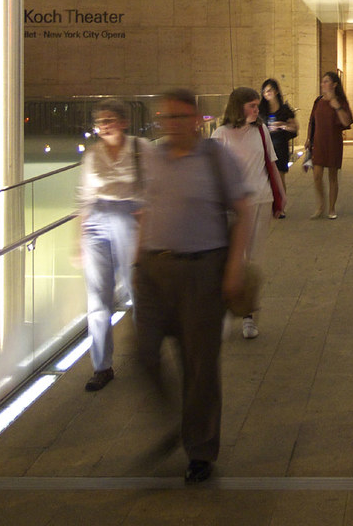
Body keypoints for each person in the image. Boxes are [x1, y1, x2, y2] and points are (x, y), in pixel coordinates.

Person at [135, 88, 253, 484]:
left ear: (197, 120)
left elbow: (243, 211)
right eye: (166, 119)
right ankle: (175, 420)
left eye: (181, 118)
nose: (173, 126)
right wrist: (136, 261)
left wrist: (233, 269)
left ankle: (200, 449)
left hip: (202, 270)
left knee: (199, 365)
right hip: (153, 271)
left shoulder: (217, 158)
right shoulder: (153, 157)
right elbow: (145, 209)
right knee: (143, 351)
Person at [77, 99, 147, 392]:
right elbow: (83, 198)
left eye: (109, 120)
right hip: (96, 220)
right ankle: (101, 366)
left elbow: (154, 186)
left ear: (123, 122)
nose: (104, 126)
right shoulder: (92, 155)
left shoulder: (140, 148)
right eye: (100, 121)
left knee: (136, 290)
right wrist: (77, 242)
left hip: (128, 218)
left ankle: (148, 356)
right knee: (97, 296)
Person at [213, 87, 284, 339]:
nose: (256, 110)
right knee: (229, 260)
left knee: (252, 261)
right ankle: (222, 313)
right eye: (252, 106)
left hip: (261, 199)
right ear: (238, 106)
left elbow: (271, 164)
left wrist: (280, 196)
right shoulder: (220, 134)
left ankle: (248, 316)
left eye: (257, 105)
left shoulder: (260, 130)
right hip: (231, 205)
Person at [306, 71, 353, 219]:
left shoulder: (341, 101)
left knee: (333, 176)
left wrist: (337, 106)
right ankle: (321, 205)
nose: (323, 84)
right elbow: (312, 121)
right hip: (319, 142)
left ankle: (331, 208)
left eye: (326, 81)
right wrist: (308, 138)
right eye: (322, 81)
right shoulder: (318, 101)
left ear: (334, 84)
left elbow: (346, 122)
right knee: (317, 176)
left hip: (333, 142)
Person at [259, 77, 299, 177]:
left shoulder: (284, 110)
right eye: (264, 92)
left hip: (281, 147)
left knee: (280, 178)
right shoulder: (261, 110)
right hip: (266, 147)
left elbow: (295, 127)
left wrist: (282, 125)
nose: (267, 94)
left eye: (269, 91)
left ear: (276, 91)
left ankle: (281, 193)